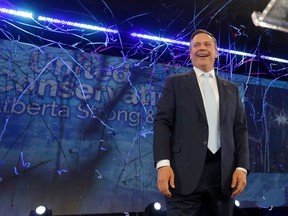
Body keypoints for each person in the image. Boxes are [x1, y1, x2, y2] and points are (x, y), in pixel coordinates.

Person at [153, 29, 249, 216]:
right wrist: (163, 164)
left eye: (207, 45)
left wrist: (242, 167)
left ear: (216, 52)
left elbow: (241, 129)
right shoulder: (175, 83)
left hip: (223, 177)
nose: (201, 48)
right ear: (190, 53)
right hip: (182, 175)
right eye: (196, 45)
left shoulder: (232, 90)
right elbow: (162, 123)